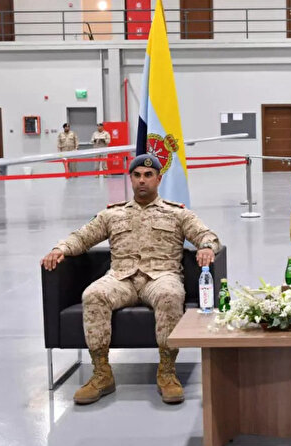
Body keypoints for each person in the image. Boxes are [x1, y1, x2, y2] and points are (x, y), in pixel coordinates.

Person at [40, 153, 221, 405]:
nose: (142, 180)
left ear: (158, 179)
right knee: (93, 294)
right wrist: (60, 249)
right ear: (131, 179)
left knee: (170, 295)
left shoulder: (177, 214)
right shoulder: (112, 214)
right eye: (136, 175)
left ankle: (167, 372)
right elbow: (82, 237)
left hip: (161, 276)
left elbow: (206, 234)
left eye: (148, 175)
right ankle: (102, 374)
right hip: (121, 278)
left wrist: (206, 247)